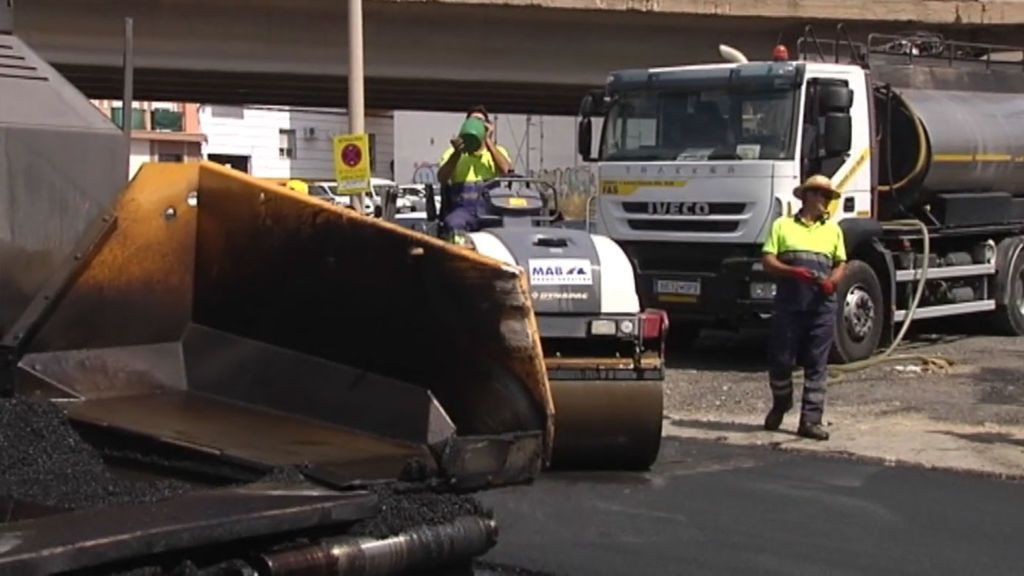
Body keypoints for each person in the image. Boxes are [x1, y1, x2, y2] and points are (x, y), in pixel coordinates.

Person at [760, 174, 847, 441]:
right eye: (822, 195)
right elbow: (767, 260)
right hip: (789, 303)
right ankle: (782, 401)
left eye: (829, 197)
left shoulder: (833, 230)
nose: (826, 202)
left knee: (817, 364)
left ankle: (811, 420)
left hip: (821, 306)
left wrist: (832, 281)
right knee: (781, 359)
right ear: (808, 196)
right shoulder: (782, 226)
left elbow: (841, 263)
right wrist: (794, 271)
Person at [436, 105, 512, 238]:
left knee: (508, 227)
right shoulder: (453, 154)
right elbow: (442, 178)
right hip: (463, 210)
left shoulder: (497, 151)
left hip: (491, 209)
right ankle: (460, 255)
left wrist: (488, 140)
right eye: (472, 121)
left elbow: (507, 170)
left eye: (480, 121)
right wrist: (457, 153)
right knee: (454, 223)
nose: (476, 124)